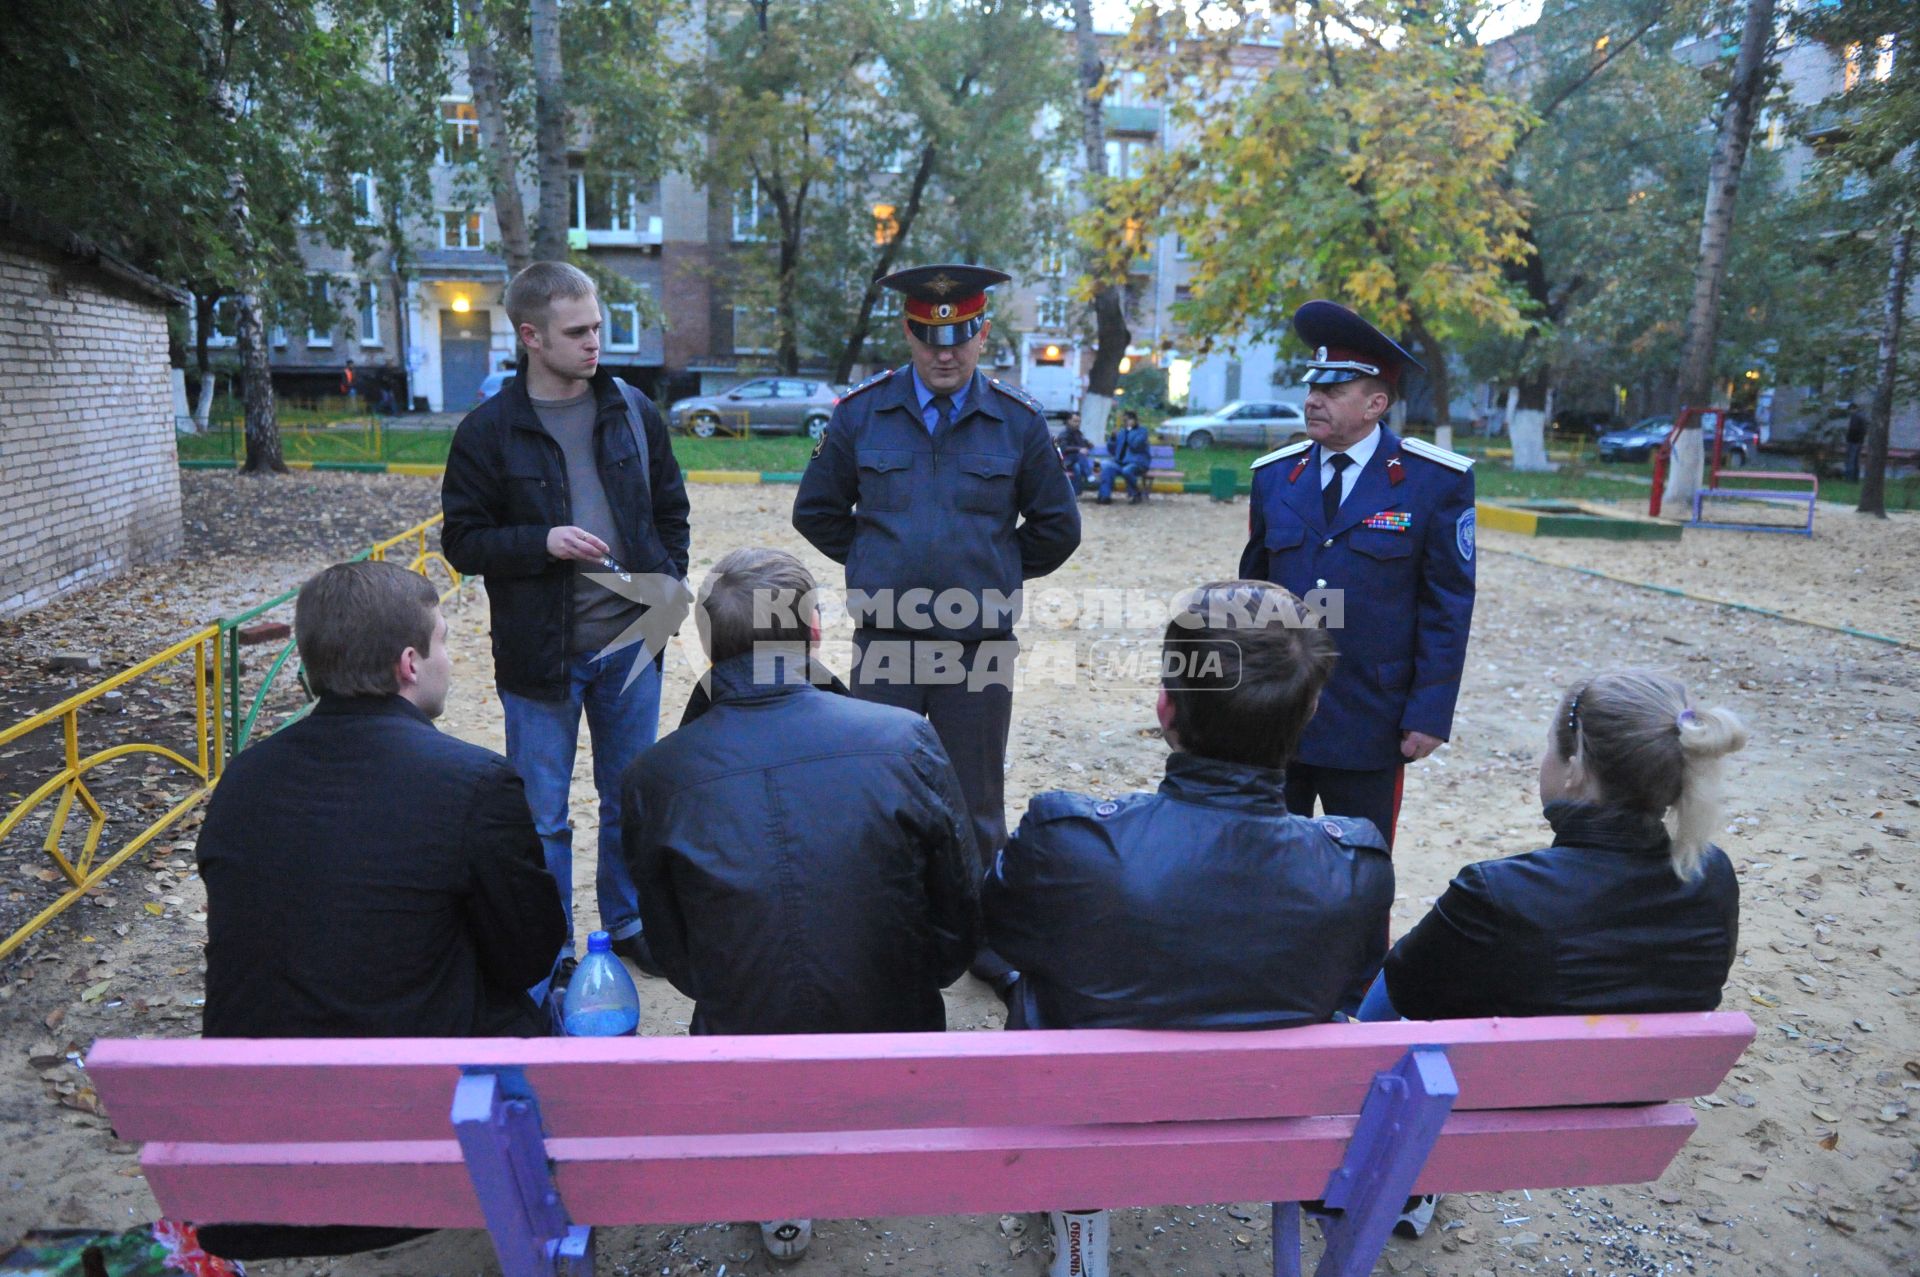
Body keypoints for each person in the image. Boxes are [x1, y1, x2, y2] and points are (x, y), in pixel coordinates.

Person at [982, 580, 1392, 1275]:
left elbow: (1000, 931)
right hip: (1260, 1115)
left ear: (1166, 707)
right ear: (1311, 710)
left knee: (1039, 981)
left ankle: (1080, 1214)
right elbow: (1352, 985)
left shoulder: (1070, 837)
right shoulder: (1354, 861)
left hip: (1092, 1102)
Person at [195, 560, 565, 1262]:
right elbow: (530, 955)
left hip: (260, 1154)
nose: (450, 660)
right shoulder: (473, 782)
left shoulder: (243, 779)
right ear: (408, 663)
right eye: (445, 642)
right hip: (421, 1151)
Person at [622, 548, 980, 1261]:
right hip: (894, 1026)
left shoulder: (654, 777)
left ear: (710, 643)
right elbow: (960, 912)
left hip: (747, 1036)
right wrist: (910, 976)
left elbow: (674, 954)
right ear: (814, 634)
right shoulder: (902, 737)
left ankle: (782, 1171)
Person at [1360, 669, 1744, 1238]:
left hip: (1473, 1117)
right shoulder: (1712, 875)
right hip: (1612, 1114)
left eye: (1548, 747)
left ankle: (1404, 1175)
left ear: (1575, 770)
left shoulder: (1497, 892)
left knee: (1386, 1003)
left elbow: (1396, 1002)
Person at [792, 262, 1080, 992]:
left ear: (983, 332)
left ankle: (982, 935)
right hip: (886, 644)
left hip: (977, 648)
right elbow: (817, 511)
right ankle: (885, 927)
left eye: (960, 336)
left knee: (975, 798)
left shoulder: (1016, 422)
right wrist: (876, 563)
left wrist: (993, 571)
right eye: (929, 336)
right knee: (879, 791)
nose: (944, 352)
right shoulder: (862, 414)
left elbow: (1057, 526)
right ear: (909, 332)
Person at [442, 260, 691, 982]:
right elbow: (462, 540)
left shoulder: (634, 412)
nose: (594, 344)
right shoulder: (490, 431)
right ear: (530, 336)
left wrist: (668, 590)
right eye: (577, 332)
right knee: (543, 815)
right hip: (539, 655)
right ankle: (549, 942)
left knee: (628, 800)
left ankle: (629, 920)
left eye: (598, 328)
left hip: (633, 647)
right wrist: (540, 541)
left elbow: (670, 509)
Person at [1238, 300, 1475, 847]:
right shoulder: (1275, 477)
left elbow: (1448, 604)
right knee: (1264, 863)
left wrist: (1431, 711)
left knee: (1361, 869)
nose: (1313, 400)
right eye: (1312, 387)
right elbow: (1253, 594)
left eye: (1333, 391)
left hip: (1373, 717)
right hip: (1277, 715)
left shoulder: (1432, 481)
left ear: (1375, 403)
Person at [1095, 409, 1149, 504]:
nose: (1125, 423)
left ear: (1134, 420)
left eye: (1127, 420)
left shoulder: (1142, 432)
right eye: (1124, 421)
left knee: (1127, 470)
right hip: (1121, 463)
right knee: (1106, 466)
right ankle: (1104, 496)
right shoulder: (1122, 432)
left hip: (1137, 463)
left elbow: (1135, 444)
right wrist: (1112, 438)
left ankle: (1136, 493)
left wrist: (1128, 432)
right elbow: (1112, 450)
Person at [1057, 409, 1096, 495]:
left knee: (1077, 467)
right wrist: (1079, 449)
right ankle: (1089, 475)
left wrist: (1088, 444)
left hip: (1076, 461)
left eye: (1079, 421)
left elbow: (1082, 444)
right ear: (1068, 421)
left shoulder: (1078, 433)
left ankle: (1076, 494)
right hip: (1066, 461)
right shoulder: (1064, 433)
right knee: (1078, 460)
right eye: (1075, 421)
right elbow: (1064, 448)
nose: (1077, 424)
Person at [1844, 401, 1868, 482]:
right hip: (1859, 441)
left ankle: (1849, 478)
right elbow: (1864, 430)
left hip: (1853, 441)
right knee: (1856, 460)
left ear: (1853, 409)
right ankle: (1855, 478)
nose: (1849, 412)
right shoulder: (1862, 416)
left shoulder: (1855, 417)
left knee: (1851, 460)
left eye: (1850, 410)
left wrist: (1848, 438)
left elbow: (1853, 429)